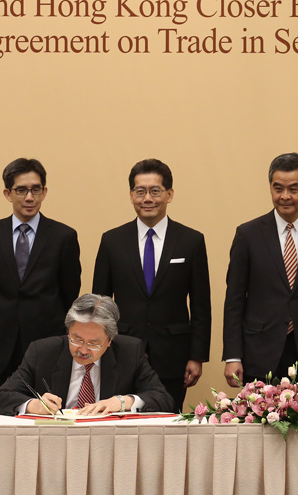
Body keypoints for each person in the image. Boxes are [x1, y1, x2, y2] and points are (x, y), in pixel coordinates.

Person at [92, 158, 211, 412]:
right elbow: (101, 305)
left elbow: (201, 305)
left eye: (155, 191)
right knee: (119, 421)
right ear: (131, 195)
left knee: (168, 421)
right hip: (121, 352)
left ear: (169, 194)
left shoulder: (191, 241)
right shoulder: (112, 241)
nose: (147, 198)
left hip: (174, 356)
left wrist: (197, 356)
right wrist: (98, 352)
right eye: (140, 191)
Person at [222, 152, 298, 387]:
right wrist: (232, 356)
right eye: (278, 188)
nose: (285, 196)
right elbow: (234, 300)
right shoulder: (248, 234)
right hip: (258, 351)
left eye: (293, 189)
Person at [0, 158, 82, 412]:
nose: (29, 197)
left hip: (46, 346)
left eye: (36, 189)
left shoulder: (63, 236)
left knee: (45, 421)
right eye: (21, 190)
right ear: (8, 193)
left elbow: (69, 293)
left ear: (44, 191)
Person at [0, 294, 173, 415]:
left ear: (109, 340)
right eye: (76, 339)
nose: (83, 350)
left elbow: (164, 399)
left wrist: (122, 402)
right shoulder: (43, 351)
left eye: (93, 343)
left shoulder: (130, 352)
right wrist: (34, 405)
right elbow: (0, 397)